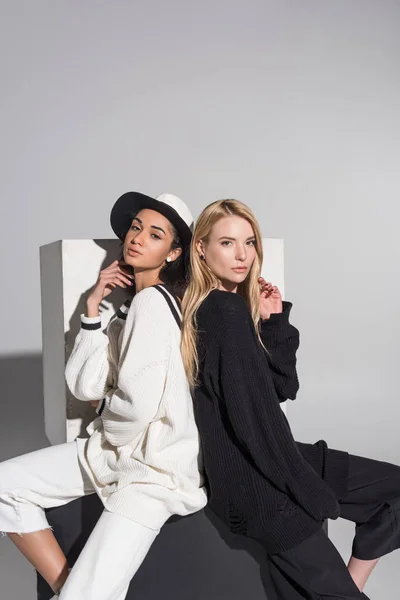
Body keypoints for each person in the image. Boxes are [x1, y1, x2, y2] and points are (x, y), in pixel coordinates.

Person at [181, 198, 400, 600]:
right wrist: (307, 490)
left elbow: (281, 389)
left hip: (276, 462)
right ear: (200, 247)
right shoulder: (223, 312)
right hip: (256, 486)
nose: (243, 254)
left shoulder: (230, 309)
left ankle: (347, 585)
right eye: (227, 243)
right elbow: (256, 422)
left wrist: (273, 320)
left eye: (250, 242)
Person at [0, 191, 206, 600]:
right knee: (5, 485)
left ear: (173, 252)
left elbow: (136, 409)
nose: (137, 238)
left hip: (152, 473)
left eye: (155, 234)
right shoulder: (130, 310)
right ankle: (67, 587)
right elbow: (84, 385)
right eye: (135, 228)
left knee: (92, 593)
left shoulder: (153, 305)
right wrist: (94, 307)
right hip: (111, 452)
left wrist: (108, 408)